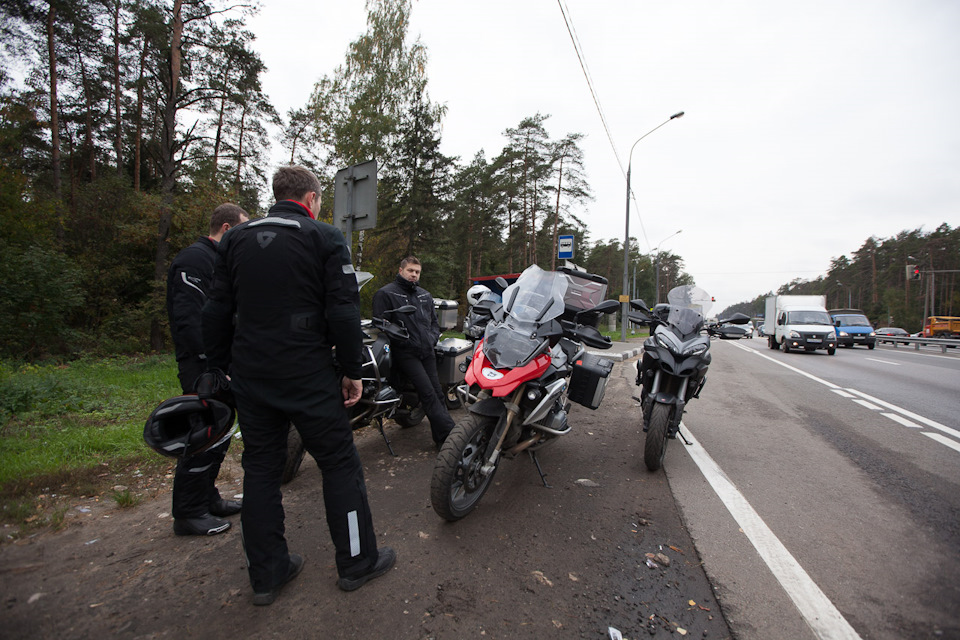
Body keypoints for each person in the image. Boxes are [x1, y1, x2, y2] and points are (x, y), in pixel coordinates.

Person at [202, 165, 395, 606]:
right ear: (311, 199)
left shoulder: (234, 239)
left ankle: (267, 575)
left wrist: (219, 367)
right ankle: (357, 562)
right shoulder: (325, 237)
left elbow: (215, 310)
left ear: (278, 194)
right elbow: (343, 311)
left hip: (251, 375)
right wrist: (352, 370)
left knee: (260, 469)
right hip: (308, 375)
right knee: (339, 464)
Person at [165, 203, 248, 537]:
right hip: (202, 366)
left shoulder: (218, 261)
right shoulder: (193, 260)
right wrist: (212, 364)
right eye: (242, 230)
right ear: (227, 229)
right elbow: (190, 319)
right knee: (203, 433)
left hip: (221, 364)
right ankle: (188, 512)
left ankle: (207, 497)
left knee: (220, 431)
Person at [372, 256, 455, 448]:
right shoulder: (386, 293)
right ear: (401, 270)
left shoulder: (424, 295)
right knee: (428, 394)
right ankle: (451, 438)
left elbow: (433, 322)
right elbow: (380, 323)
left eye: (417, 272)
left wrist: (432, 338)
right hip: (405, 353)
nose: (414, 275)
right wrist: (404, 341)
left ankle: (441, 438)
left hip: (427, 350)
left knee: (438, 393)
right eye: (410, 270)